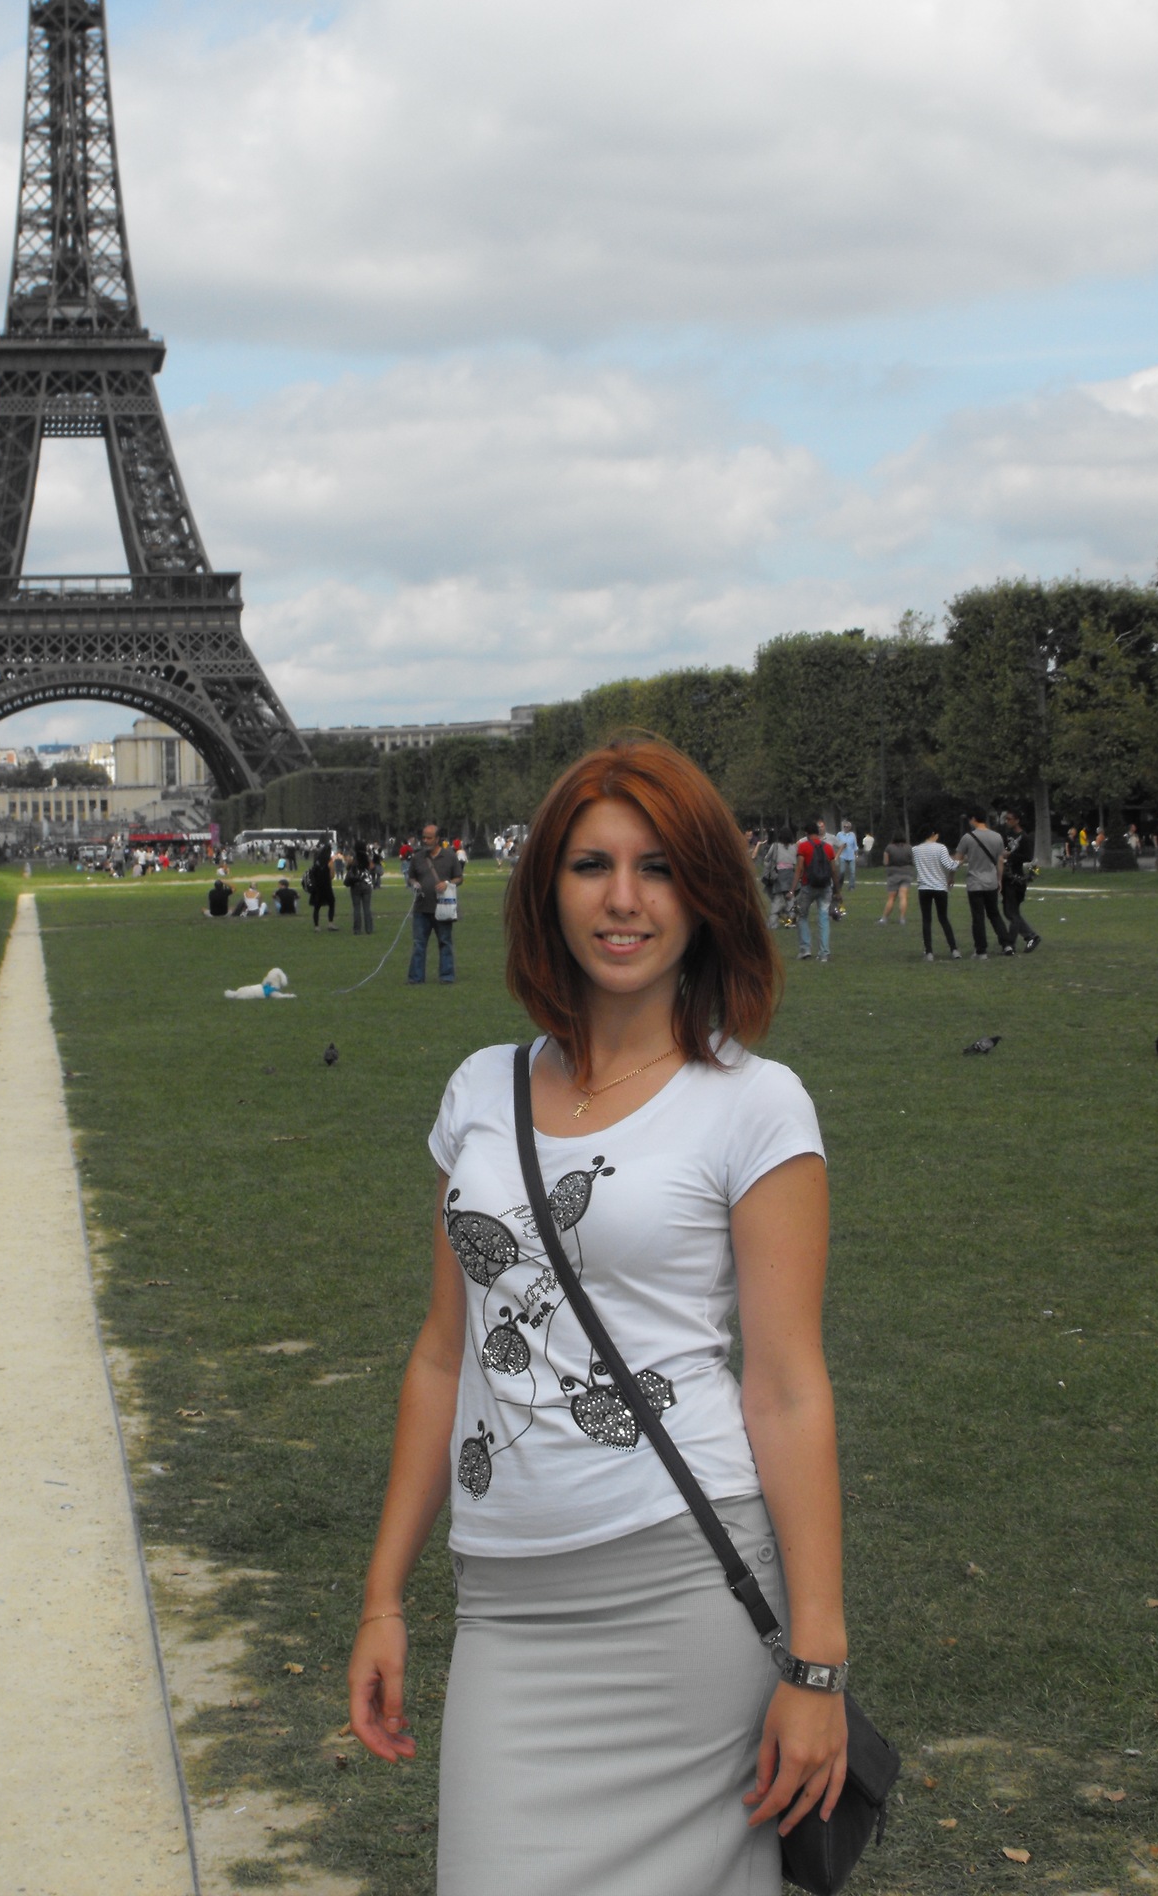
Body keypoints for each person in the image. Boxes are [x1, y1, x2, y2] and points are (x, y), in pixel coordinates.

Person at [348, 738, 849, 1896]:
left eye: (658, 867)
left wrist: (817, 1660)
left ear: (707, 893)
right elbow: (442, 1356)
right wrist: (383, 1595)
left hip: (684, 1597)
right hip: (506, 1608)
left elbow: (786, 1388)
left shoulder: (756, 1105)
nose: (624, 898)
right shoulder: (479, 1091)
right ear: (547, 890)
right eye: (592, 865)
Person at [407, 822, 463, 985]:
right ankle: (416, 978)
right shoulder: (417, 857)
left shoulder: (450, 856)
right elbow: (411, 877)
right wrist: (414, 884)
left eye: (429, 838)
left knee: (445, 943)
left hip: (443, 908)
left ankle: (446, 976)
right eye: (424, 837)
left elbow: (459, 878)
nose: (425, 840)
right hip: (421, 908)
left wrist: (447, 883)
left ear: (437, 839)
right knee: (419, 944)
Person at [954, 812, 1013, 959]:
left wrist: (951, 876)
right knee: (994, 914)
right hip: (991, 881)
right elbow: (1000, 860)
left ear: (973, 819)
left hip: (975, 882)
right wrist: (999, 879)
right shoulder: (997, 837)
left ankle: (981, 950)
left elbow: (956, 860)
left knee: (978, 917)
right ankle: (1007, 944)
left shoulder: (967, 838)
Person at [911, 826, 959, 961]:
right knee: (943, 919)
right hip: (940, 887)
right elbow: (950, 865)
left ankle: (929, 952)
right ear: (933, 834)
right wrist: (960, 861)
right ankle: (954, 949)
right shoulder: (941, 848)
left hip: (924, 887)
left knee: (926, 920)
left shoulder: (915, 849)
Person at [793, 820, 837, 962]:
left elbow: (799, 868)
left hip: (808, 885)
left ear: (806, 833)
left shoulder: (803, 847)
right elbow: (833, 870)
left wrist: (792, 889)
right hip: (825, 886)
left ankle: (805, 949)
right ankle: (824, 953)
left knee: (802, 915)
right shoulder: (828, 847)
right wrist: (837, 889)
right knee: (823, 918)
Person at [998, 812, 1041, 952]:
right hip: (1007, 876)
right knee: (1009, 911)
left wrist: (1011, 855)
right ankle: (1029, 936)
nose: (1007, 821)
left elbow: (1028, 857)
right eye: (1006, 819)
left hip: (1016, 878)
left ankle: (1013, 943)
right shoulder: (1007, 835)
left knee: (1012, 912)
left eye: (1009, 819)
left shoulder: (1025, 838)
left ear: (1017, 820)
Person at [765, 827, 798, 930]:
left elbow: (767, 859)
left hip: (778, 875)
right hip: (791, 875)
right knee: (791, 900)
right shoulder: (794, 847)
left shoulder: (775, 846)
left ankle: (773, 924)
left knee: (777, 901)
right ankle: (791, 921)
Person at [878, 833, 912, 925]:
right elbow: (913, 860)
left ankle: (884, 918)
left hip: (893, 874)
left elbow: (885, 862)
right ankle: (902, 919)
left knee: (891, 898)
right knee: (903, 896)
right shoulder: (909, 848)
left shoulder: (889, 848)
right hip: (906, 873)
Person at [304, 846, 338, 930]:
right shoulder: (329, 861)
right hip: (327, 886)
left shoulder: (317, 861)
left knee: (317, 907)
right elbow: (332, 876)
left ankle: (316, 926)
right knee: (331, 903)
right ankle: (330, 923)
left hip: (317, 887)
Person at [348, 843, 376, 935]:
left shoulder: (354, 858)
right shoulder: (367, 858)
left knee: (356, 908)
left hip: (356, 884)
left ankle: (357, 929)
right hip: (366, 884)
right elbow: (372, 867)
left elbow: (348, 867)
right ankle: (369, 928)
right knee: (367, 908)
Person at [836, 821, 858, 893]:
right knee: (842, 871)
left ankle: (851, 887)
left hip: (851, 856)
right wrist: (841, 846)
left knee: (852, 872)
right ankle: (839, 885)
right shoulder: (839, 834)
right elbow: (836, 843)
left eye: (847, 827)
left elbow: (855, 845)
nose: (846, 828)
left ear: (850, 828)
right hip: (842, 855)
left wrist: (856, 854)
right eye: (845, 827)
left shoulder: (852, 835)